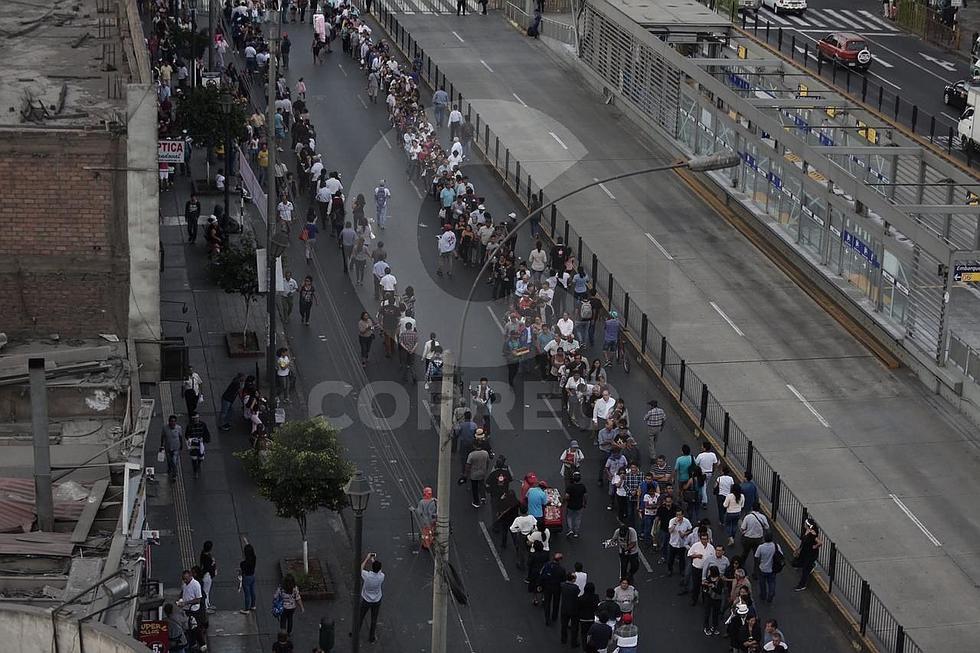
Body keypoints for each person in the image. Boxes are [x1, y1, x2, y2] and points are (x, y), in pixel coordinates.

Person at [357, 553, 384, 643]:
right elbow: (379, 570)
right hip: (377, 600)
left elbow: (360, 569)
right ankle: (371, 637)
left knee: (361, 616)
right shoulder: (381, 577)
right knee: (374, 619)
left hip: (366, 599)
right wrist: (373, 560)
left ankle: (356, 633)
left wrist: (367, 558)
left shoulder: (367, 576)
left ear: (372, 568)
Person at [793, 519, 821, 591]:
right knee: (798, 563)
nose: (804, 524)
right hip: (805, 551)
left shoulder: (812, 534)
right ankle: (811, 565)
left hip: (810, 554)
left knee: (805, 570)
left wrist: (815, 546)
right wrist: (799, 549)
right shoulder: (807, 531)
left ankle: (802, 585)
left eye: (805, 523)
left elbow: (820, 542)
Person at [755, 531, 782, 603]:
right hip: (772, 569)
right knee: (772, 582)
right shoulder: (776, 546)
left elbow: (756, 556)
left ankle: (763, 595)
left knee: (762, 583)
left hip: (762, 568)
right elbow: (781, 555)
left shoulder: (761, 547)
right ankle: (771, 594)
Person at [563, 471, 587, 538]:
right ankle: (576, 532)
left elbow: (567, 496)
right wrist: (585, 503)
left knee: (569, 517)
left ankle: (570, 529)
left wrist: (564, 502)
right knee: (578, 518)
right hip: (579, 506)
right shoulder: (582, 487)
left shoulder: (570, 487)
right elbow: (585, 496)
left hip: (570, 505)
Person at [159, 415, 183, 481]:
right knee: (169, 461)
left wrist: (181, 445)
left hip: (176, 448)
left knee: (174, 461)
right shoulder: (165, 428)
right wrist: (161, 445)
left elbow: (180, 437)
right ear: (169, 422)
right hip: (168, 448)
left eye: (174, 421)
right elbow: (162, 437)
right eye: (171, 421)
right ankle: (169, 468)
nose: (173, 423)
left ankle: (174, 474)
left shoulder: (179, 428)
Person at [199, 541, 217, 612]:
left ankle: (208, 604)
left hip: (206, 575)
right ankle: (206, 607)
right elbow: (207, 568)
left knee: (207, 591)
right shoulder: (207, 557)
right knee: (206, 592)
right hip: (207, 575)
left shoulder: (203, 554)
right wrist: (212, 564)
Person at [239, 543, 257, 613]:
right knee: (252, 592)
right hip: (252, 576)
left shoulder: (243, 563)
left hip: (246, 578)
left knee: (247, 594)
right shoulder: (254, 558)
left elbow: (242, 571)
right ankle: (253, 605)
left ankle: (246, 609)